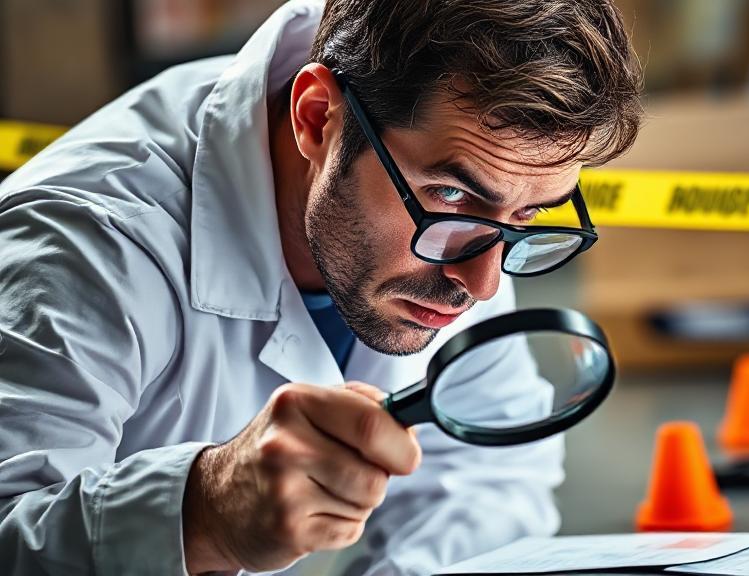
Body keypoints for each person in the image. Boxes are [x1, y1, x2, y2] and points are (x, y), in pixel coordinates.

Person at [0, 0, 642, 574]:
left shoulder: (468, 203)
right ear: (316, 119)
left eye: (528, 217)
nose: (481, 282)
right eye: (451, 195)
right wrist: (200, 516)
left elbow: (487, 472)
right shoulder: (87, 245)